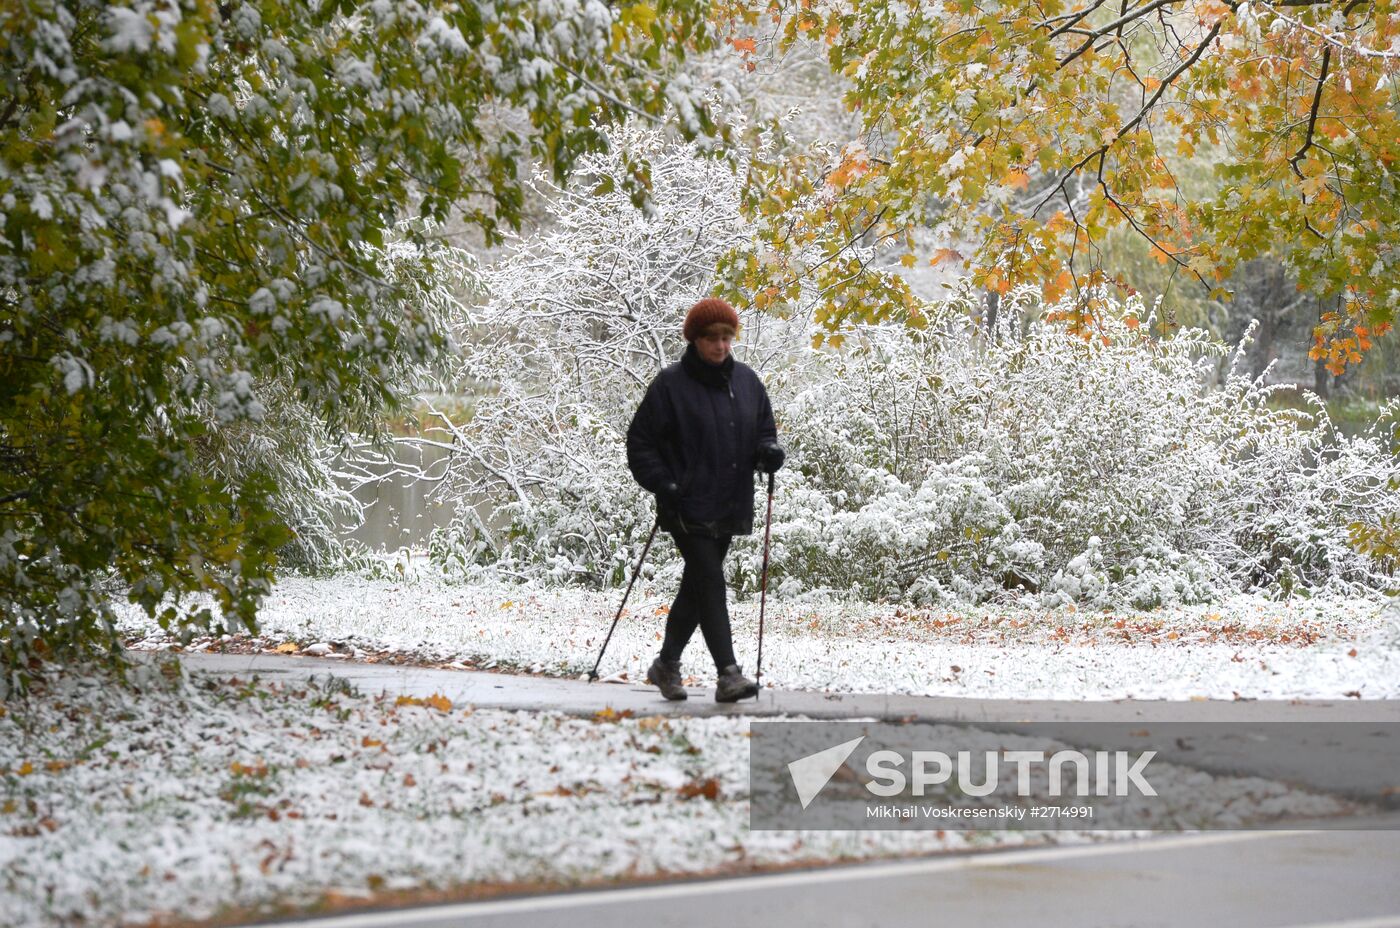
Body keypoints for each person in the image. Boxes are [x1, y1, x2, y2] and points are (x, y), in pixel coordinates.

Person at [626, 297, 786, 703]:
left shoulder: (747, 383)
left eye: (727, 338)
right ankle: (728, 673)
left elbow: (763, 429)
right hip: (685, 504)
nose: (720, 346)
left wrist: (769, 452)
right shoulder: (670, 385)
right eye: (712, 338)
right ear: (695, 339)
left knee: (697, 587)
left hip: (730, 501)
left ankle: (666, 664)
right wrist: (664, 483)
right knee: (711, 582)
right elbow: (640, 442)